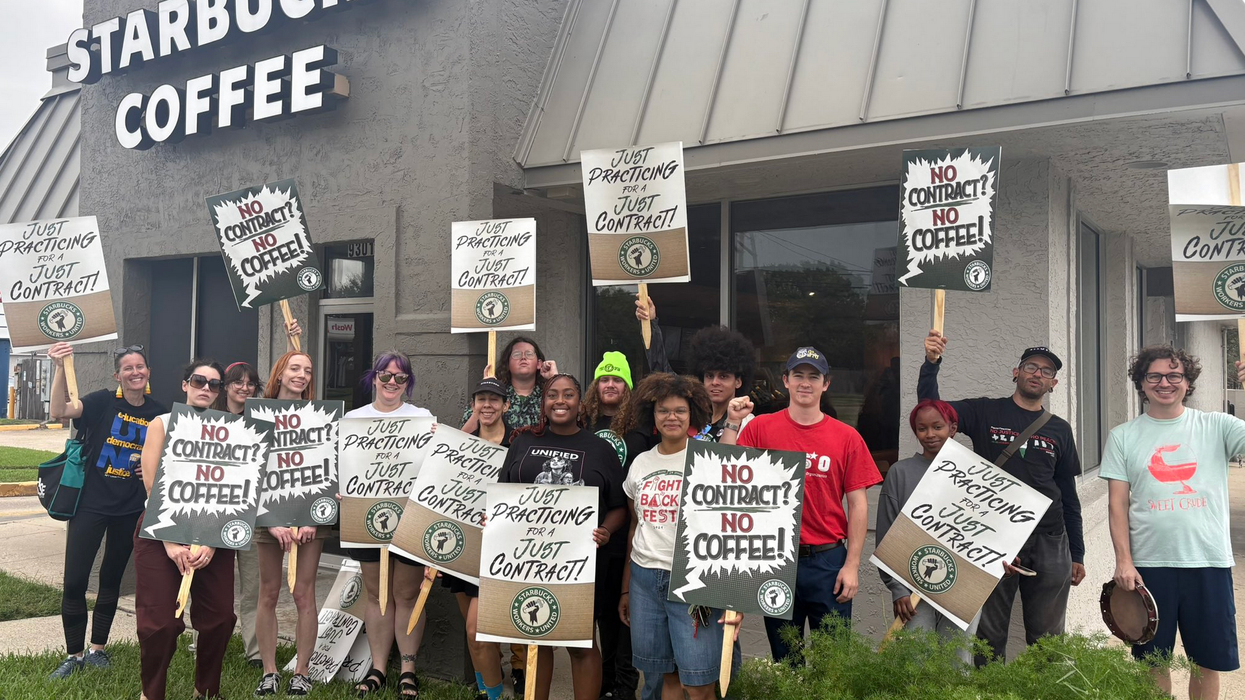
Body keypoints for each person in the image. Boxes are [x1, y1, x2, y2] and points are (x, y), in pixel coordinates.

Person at [919, 332, 1085, 665]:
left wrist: (1077, 552)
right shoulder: (985, 412)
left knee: (1048, 639)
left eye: (1046, 371)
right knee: (990, 634)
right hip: (994, 538)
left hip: (1050, 540)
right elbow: (930, 411)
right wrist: (931, 364)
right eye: (1030, 367)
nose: (1038, 374)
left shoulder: (1060, 429)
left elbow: (1068, 494)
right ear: (1016, 372)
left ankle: (1044, 691)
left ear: (1053, 384)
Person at [1102, 347, 1245, 700]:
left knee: (1206, 663)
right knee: (1152, 663)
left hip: (1208, 561)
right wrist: (1124, 560)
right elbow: (1117, 505)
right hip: (1149, 567)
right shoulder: (1123, 436)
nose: (1164, 383)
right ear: (1141, 383)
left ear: (1187, 382)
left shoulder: (1217, 426)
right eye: (1154, 376)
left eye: (1174, 376)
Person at [725, 347, 882, 662]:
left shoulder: (847, 437)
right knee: (786, 660)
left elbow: (859, 505)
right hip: (775, 559)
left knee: (832, 662)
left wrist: (852, 565)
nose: (805, 383)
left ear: (826, 384)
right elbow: (728, 475)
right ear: (785, 380)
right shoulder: (760, 428)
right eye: (798, 375)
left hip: (828, 560)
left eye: (814, 376)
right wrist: (731, 422)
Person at [498, 374, 629, 700]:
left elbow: (619, 507)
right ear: (543, 403)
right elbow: (503, 494)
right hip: (528, 558)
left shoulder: (599, 448)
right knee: (536, 639)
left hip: (578, 563)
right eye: (553, 394)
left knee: (580, 643)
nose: (560, 400)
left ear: (579, 403)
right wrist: (495, 517)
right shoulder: (522, 443)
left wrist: (606, 530)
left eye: (568, 394)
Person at [613, 373, 742, 700]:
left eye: (680, 411)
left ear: (693, 415)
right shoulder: (640, 463)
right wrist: (627, 587)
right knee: (665, 676)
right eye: (664, 411)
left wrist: (735, 423)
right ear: (652, 416)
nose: (672, 417)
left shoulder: (707, 458)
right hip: (645, 580)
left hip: (693, 581)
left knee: (698, 684)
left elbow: (730, 503)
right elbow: (634, 527)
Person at [47, 343, 166, 679]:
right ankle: (74, 654)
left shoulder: (158, 413)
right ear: (118, 375)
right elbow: (60, 411)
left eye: (140, 366)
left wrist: (152, 467)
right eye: (127, 368)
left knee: (111, 580)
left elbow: (169, 456)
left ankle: (98, 649)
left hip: (129, 508)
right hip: (91, 505)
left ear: (148, 372)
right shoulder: (101, 401)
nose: (135, 372)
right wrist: (58, 368)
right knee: (74, 582)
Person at [460, 336, 558, 691]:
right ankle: (487, 677)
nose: (522, 357)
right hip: (470, 523)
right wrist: (481, 404)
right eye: (515, 353)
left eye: (529, 352)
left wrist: (552, 379)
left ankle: (517, 665)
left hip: (515, 523)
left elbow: (563, 418)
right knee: (473, 619)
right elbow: (457, 446)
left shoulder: (544, 400)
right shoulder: (491, 397)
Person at [134, 359, 233, 700]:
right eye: (199, 380)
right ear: (184, 384)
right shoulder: (161, 423)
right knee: (161, 623)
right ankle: (152, 693)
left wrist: (213, 541)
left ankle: (205, 691)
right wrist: (171, 542)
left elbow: (235, 492)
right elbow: (151, 486)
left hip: (212, 532)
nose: (206, 388)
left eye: (214, 384)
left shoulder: (232, 429)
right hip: (161, 530)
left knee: (220, 618)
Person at [346, 351, 432, 698]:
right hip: (367, 514)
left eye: (400, 377)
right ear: (374, 377)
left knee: (406, 594)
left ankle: (408, 669)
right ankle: (379, 667)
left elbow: (435, 465)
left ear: (407, 382)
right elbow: (346, 465)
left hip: (410, 516)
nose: (392, 382)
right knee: (377, 593)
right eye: (386, 375)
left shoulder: (422, 418)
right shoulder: (354, 419)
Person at [875, 399, 979, 663]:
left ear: (952, 428)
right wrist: (897, 588)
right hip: (912, 587)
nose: (930, 434)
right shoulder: (900, 473)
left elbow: (991, 530)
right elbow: (886, 535)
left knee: (958, 663)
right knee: (916, 663)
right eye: (922, 429)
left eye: (937, 426)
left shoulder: (973, 473)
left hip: (964, 584)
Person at [254, 350, 325, 696]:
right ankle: (269, 672)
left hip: (310, 519)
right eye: (295, 368)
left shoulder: (320, 416)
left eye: (308, 370)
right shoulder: (257, 415)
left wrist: (314, 515)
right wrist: (269, 521)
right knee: (268, 592)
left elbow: (329, 468)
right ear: (279, 374)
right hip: (268, 517)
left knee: (303, 593)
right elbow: (248, 473)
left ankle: (301, 671)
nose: (302, 375)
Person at [583, 351, 646, 700]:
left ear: (627, 387)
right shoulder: (582, 422)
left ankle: (625, 685)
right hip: (587, 532)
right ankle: (604, 684)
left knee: (623, 613)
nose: (610, 384)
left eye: (617, 379)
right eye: (604, 379)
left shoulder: (640, 428)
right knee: (602, 612)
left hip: (628, 533)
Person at [635, 298, 756, 442]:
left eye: (723, 376)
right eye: (709, 376)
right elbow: (663, 374)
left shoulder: (747, 422)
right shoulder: (693, 412)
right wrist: (650, 324)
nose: (715, 382)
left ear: (738, 382)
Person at [211, 361, 265, 667]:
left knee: (253, 586)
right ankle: (203, 641)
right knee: (212, 586)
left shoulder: (261, 422)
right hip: (215, 514)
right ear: (226, 385)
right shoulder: (208, 419)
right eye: (237, 382)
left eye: (250, 384)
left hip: (252, 515)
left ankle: (255, 651)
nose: (244, 388)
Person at [461, 336, 558, 433]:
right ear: (507, 363)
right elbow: (463, 435)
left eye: (529, 354)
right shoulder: (497, 395)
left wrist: (555, 380)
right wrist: (487, 389)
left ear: (539, 364)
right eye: (517, 354)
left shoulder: (549, 395)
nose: (523, 358)